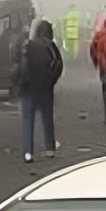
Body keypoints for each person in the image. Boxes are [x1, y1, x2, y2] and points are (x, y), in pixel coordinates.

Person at [12, 16, 64, 162]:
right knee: (47, 118)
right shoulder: (51, 47)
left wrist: (18, 84)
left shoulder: (27, 45)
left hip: (28, 87)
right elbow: (58, 66)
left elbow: (18, 66)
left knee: (28, 119)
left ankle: (28, 153)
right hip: (45, 87)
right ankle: (49, 149)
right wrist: (51, 82)